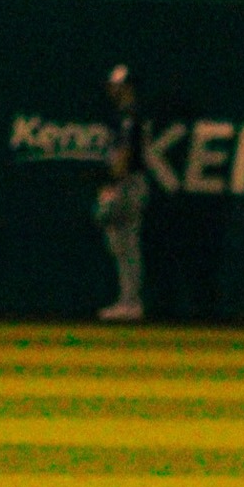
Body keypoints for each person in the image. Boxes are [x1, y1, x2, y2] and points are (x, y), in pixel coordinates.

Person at [94, 63, 149, 321]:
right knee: (122, 246)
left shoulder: (129, 115)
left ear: (127, 87)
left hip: (127, 183)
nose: (112, 89)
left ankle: (130, 303)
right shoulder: (125, 114)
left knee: (125, 245)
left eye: (117, 85)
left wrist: (112, 185)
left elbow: (124, 155)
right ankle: (128, 301)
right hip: (128, 183)